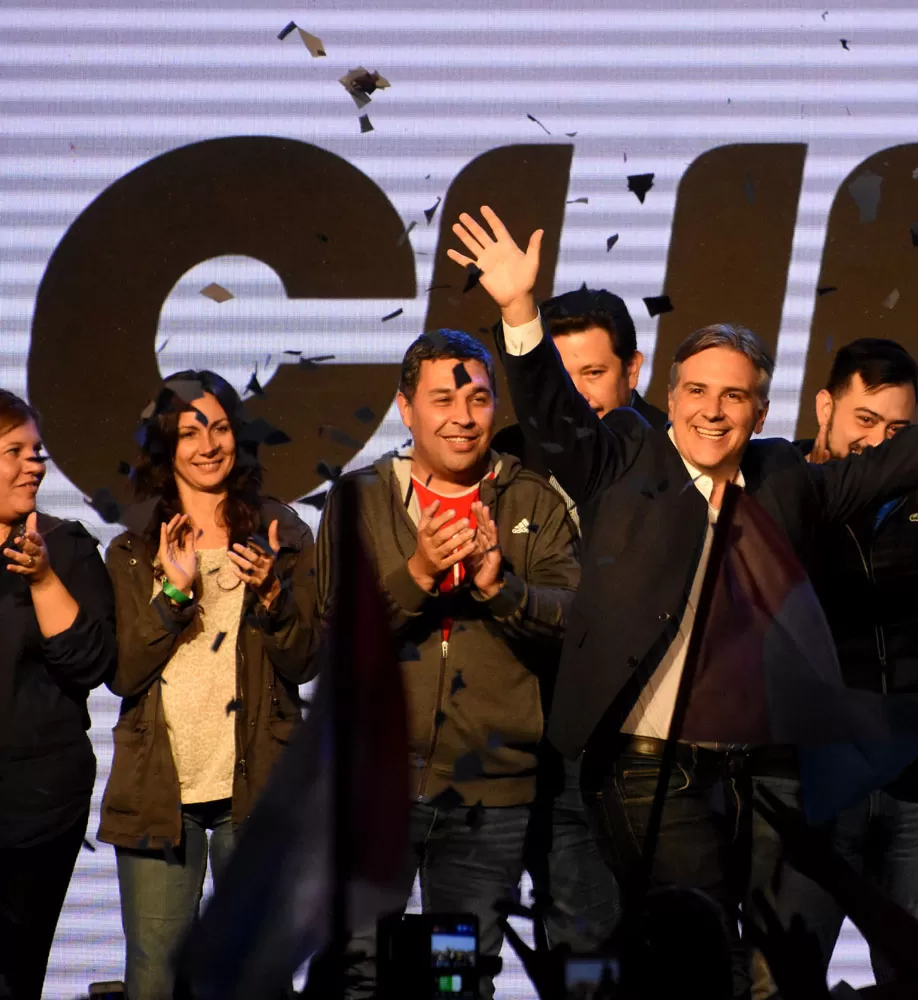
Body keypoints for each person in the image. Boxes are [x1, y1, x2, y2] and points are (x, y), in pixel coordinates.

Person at [445, 204, 918, 998]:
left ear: (761, 413)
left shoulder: (786, 481)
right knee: (698, 958)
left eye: (734, 397)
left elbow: (898, 459)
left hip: (772, 765)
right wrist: (518, 312)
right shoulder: (622, 459)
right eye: (697, 391)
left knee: (782, 965)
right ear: (669, 399)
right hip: (648, 764)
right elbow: (556, 416)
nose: (713, 409)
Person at [315, 329, 580, 999]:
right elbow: (329, 635)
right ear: (406, 409)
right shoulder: (360, 501)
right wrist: (419, 572)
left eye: (480, 399)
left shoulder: (533, 502)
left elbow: (576, 624)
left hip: (485, 800)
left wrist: (500, 589)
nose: (462, 417)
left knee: (455, 981)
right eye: (442, 399)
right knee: (357, 975)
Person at [754, 338, 918, 993]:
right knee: (784, 977)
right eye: (864, 422)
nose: (878, 443)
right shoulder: (786, 492)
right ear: (824, 407)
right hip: (818, 780)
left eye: (899, 430)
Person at [98, 371, 319, 999]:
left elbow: (306, 660)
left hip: (259, 788)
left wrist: (273, 594)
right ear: (165, 447)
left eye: (220, 428)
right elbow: (125, 673)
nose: (208, 444)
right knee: (155, 977)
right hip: (159, 794)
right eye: (190, 432)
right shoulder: (134, 549)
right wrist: (171, 591)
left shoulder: (282, 534)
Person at [492, 286, 655, 952]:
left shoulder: (670, 455)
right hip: (536, 746)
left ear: (634, 370)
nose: (580, 396)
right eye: (564, 378)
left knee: (661, 947)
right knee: (577, 948)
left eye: (594, 374)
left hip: (647, 750)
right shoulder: (502, 460)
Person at [0, 389, 115, 1000]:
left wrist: (43, 578)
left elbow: (92, 665)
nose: (35, 465)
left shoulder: (67, 547)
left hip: (37, 811)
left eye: (37, 451)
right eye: (14, 451)